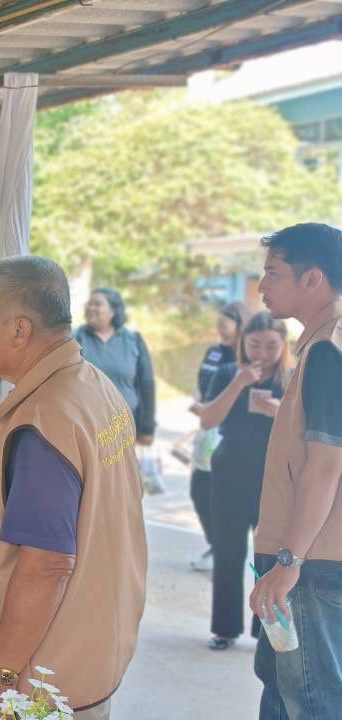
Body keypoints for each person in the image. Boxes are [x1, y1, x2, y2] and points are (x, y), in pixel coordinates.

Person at [0, 256, 147, 720]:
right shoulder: (92, 385)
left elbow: (46, 565)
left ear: (19, 329)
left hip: (35, 687)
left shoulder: (43, 420)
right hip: (86, 654)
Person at [248, 223, 342, 719]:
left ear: (312, 279)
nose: (262, 285)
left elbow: (325, 467)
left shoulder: (328, 349)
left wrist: (288, 561)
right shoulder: (322, 345)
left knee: (307, 701)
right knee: (289, 696)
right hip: (313, 559)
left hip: (311, 564)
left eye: (273, 272)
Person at [196, 312, 288, 652]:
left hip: (273, 476)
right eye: (254, 345)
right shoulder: (226, 372)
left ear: (283, 345)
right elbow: (208, 419)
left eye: (271, 346)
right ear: (242, 343)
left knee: (270, 556)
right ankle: (224, 629)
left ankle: (265, 630)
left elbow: (305, 431)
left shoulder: (291, 377)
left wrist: (279, 410)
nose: (262, 353)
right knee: (228, 552)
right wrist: (238, 383)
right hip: (229, 471)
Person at [188, 302, 249, 572]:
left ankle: (224, 552)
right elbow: (201, 383)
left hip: (230, 435)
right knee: (199, 491)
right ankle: (217, 546)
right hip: (207, 429)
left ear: (240, 325)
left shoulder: (246, 357)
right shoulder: (214, 352)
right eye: (219, 325)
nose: (220, 330)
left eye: (225, 325)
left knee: (221, 495)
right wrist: (199, 401)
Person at [75, 288, 156, 446]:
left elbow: (146, 385)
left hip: (125, 430)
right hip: (87, 430)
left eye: (97, 304)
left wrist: (147, 428)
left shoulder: (133, 341)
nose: (90, 308)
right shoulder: (75, 339)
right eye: (89, 304)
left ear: (113, 311)